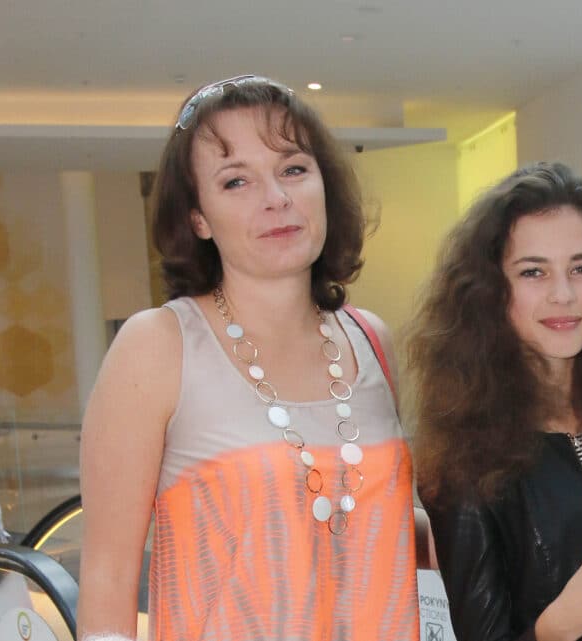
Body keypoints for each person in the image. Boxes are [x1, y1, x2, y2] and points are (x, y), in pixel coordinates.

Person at [78, 75, 426, 640]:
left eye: (293, 169)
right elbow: (107, 578)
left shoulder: (370, 339)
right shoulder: (158, 346)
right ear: (198, 217)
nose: (276, 198)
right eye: (236, 180)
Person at [409, 162, 582, 641]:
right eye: (533, 272)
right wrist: (560, 626)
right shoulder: (467, 457)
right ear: (491, 290)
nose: (563, 294)